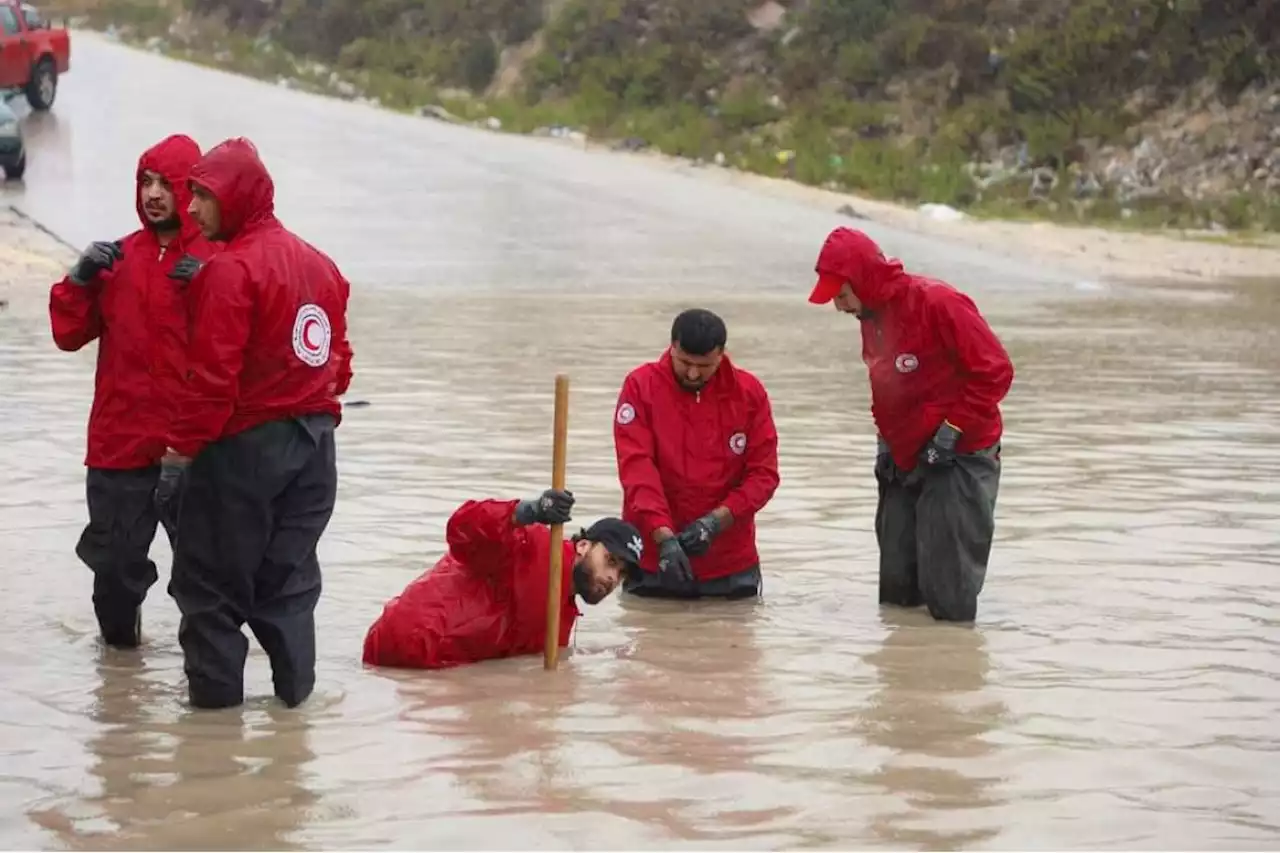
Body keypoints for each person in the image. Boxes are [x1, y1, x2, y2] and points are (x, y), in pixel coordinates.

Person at [162, 137, 354, 710]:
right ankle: (294, 734)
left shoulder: (231, 271)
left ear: (237, 196)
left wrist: (178, 458)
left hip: (244, 453)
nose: (190, 209)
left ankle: (212, 756)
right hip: (316, 453)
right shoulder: (321, 265)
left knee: (210, 595)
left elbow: (211, 384)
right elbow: (339, 365)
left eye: (201, 195)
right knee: (290, 587)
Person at [48, 133, 218, 650]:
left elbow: (251, 349)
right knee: (115, 576)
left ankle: (207, 691)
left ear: (192, 191)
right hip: (119, 446)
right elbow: (68, 336)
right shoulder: (116, 260)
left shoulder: (220, 260)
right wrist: (78, 280)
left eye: (168, 183)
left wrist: (213, 283)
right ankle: (121, 685)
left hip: (196, 451)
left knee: (206, 579)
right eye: (146, 181)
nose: (154, 193)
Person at [807, 226, 1014, 623]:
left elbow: (996, 372)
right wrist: (886, 444)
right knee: (897, 594)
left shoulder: (938, 302)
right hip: (904, 456)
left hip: (960, 457)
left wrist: (951, 431)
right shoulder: (870, 315)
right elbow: (887, 386)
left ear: (863, 279)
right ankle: (903, 677)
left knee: (949, 600)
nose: (839, 306)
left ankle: (953, 674)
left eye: (842, 294)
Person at [362, 489, 643, 670]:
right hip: (405, 645)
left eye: (620, 574)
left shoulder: (563, 619)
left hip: (438, 670)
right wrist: (524, 512)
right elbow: (460, 529)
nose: (611, 578)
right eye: (611, 561)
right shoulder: (534, 543)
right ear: (584, 546)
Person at [612, 308, 780, 600]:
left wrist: (715, 523)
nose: (692, 373)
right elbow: (637, 470)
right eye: (685, 362)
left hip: (730, 564)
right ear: (672, 347)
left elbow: (763, 476)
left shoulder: (750, 393)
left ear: (721, 354)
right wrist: (663, 535)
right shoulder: (640, 386)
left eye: (704, 366)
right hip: (655, 559)